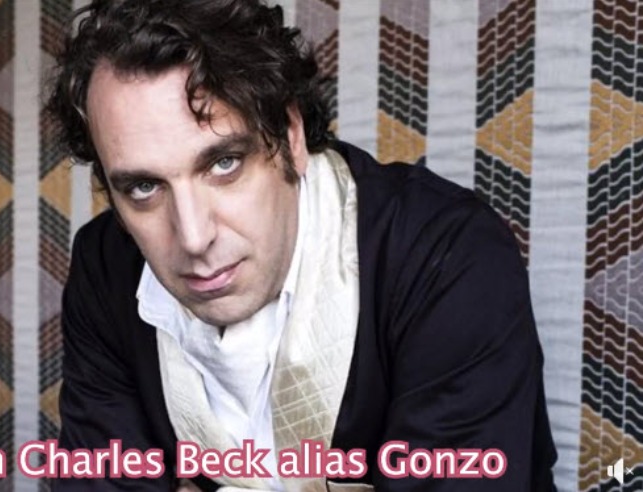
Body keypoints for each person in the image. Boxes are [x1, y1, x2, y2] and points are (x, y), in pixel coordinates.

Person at [48, 0, 557, 490]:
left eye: (224, 163)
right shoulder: (105, 267)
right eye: (143, 187)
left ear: (290, 136)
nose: (194, 237)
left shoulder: (444, 253)